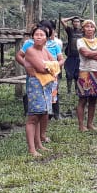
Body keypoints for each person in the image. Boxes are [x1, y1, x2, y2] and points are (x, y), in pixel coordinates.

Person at [23, 25, 58, 157]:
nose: (38, 37)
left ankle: (38, 144)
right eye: (36, 34)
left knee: (40, 115)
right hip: (35, 85)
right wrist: (50, 66)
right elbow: (42, 68)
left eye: (41, 35)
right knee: (33, 117)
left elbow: (57, 62)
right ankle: (32, 149)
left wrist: (50, 65)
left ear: (46, 38)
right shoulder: (30, 51)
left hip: (46, 85)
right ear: (33, 37)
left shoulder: (45, 50)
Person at [75, 19, 97, 132]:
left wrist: (91, 54)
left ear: (95, 29)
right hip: (85, 72)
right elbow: (84, 53)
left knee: (93, 99)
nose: (89, 28)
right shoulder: (80, 41)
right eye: (87, 26)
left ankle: (90, 124)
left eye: (92, 26)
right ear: (83, 29)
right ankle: (81, 125)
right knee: (82, 99)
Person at [61, 16, 83, 95]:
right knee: (69, 74)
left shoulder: (83, 31)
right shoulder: (70, 30)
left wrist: (81, 19)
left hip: (80, 56)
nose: (76, 23)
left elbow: (91, 23)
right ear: (72, 23)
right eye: (74, 21)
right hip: (71, 56)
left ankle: (77, 90)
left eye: (78, 22)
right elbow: (62, 20)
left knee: (78, 74)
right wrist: (72, 17)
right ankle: (69, 91)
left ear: (80, 23)